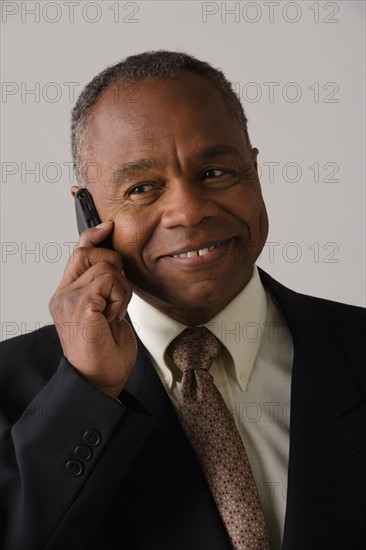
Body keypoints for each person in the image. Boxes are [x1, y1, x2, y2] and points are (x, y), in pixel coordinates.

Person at [0, 50, 365, 550]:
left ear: (253, 170)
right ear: (88, 212)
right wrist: (89, 391)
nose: (188, 213)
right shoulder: (9, 389)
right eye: (142, 187)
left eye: (215, 172)